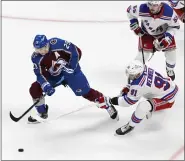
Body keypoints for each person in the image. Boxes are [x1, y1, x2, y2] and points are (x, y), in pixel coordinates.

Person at [28, 35, 118, 123]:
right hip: (55, 76)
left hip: (71, 72)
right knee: (35, 88)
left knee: (85, 92)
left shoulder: (57, 43)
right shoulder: (36, 57)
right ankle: (42, 113)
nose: (42, 51)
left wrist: (71, 67)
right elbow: (39, 74)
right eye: (38, 49)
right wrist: (46, 86)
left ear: (47, 44)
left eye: (43, 48)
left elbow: (76, 51)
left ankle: (106, 103)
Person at [108, 60, 178, 135]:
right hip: (170, 86)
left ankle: (131, 125)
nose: (130, 76)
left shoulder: (138, 86)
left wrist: (113, 101)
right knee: (145, 93)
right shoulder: (146, 66)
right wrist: (129, 87)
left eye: (132, 75)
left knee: (143, 107)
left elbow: (128, 102)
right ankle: (151, 106)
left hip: (168, 98)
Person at [127, 0, 180, 81]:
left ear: (160, 5)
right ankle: (135, 72)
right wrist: (135, 25)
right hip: (146, 33)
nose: (151, 7)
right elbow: (129, 11)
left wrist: (168, 38)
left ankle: (170, 69)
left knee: (171, 54)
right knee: (144, 55)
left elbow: (175, 26)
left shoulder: (169, 12)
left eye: (155, 5)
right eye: (150, 4)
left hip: (164, 34)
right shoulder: (142, 8)